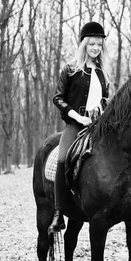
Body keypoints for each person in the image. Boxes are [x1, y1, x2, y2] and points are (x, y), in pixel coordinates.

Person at [49, 21, 110, 233]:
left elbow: (105, 99)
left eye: (99, 45)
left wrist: (102, 111)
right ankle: (58, 213)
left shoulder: (103, 72)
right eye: (92, 44)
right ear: (84, 44)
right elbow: (58, 98)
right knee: (63, 158)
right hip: (76, 125)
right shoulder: (71, 69)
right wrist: (77, 116)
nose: (95, 48)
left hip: (98, 126)